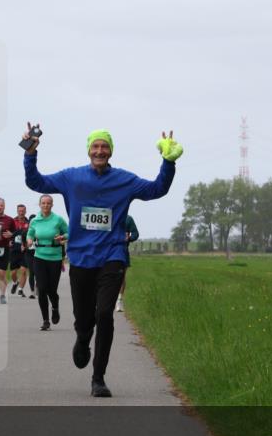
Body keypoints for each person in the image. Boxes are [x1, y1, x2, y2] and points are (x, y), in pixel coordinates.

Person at [23, 125, 182, 397]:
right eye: (95, 146)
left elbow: (157, 189)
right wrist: (30, 151)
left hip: (113, 255)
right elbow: (36, 182)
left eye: (104, 147)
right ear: (88, 150)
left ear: (110, 152)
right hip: (82, 258)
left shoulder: (124, 180)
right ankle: (83, 338)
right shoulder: (71, 177)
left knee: (105, 314)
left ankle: (99, 377)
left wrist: (168, 161)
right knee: (84, 319)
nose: (100, 151)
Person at [26, 195, 69, 331]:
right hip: (39, 256)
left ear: (52, 205)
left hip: (55, 257)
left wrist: (63, 237)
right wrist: (29, 240)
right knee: (42, 289)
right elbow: (30, 233)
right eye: (43, 203)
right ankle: (45, 320)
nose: (45, 205)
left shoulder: (58, 219)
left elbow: (69, 232)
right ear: (39, 205)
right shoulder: (35, 220)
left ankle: (55, 308)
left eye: (48, 203)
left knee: (52, 290)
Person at [115, 215, 139, 312]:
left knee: (121, 277)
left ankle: (119, 301)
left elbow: (135, 234)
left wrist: (129, 238)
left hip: (122, 251)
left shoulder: (128, 218)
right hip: (106, 251)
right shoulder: (107, 215)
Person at [9, 204, 30, 297]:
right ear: (17, 211)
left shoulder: (29, 223)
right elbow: (7, 233)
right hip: (14, 250)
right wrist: (8, 241)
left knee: (24, 270)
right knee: (13, 273)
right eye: (19, 211)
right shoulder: (12, 222)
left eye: (23, 211)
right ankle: (15, 282)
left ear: (25, 211)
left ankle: (21, 290)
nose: (21, 212)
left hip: (24, 250)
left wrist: (27, 245)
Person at [24, 213, 37, 298]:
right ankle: (32, 292)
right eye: (31, 222)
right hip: (29, 254)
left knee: (39, 273)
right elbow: (23, 244)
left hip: (39, 253)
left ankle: (38, 288)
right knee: (31, 272)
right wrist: (26, 245)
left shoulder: (40, 231)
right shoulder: (25, 232)